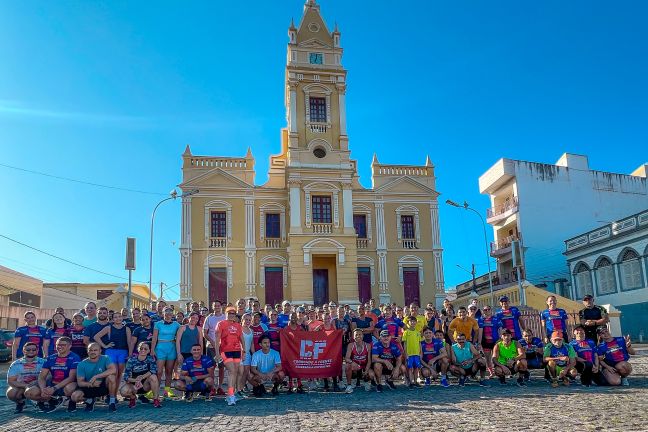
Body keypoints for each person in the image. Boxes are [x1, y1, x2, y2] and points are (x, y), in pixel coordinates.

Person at [25, 337, 80, 413]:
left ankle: (70, 400)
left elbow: (71, 377)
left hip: (67, 384)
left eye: (63, 345)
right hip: (52, 383)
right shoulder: (50, 358)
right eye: (57, 344)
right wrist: (43, 389)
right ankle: (52, 401)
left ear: (70, 346)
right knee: (29, 392)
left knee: (70, 388)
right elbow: (42, 376)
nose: (59, 346)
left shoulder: (75, 357)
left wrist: (54, 388)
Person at [70, 342, 118, 412]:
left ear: (100, 351)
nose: (92, 352)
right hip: (88, 386)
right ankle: (89, 400)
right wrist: (91, 384)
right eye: (90, 350)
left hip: (102, 386)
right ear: (87, 351)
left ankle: (112, 401)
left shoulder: (106, 358)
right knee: (74, 397)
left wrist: (96, 376)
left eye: (95, 350)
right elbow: (80, 383)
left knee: (111, 377)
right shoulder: (81, 364)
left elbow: (113, 370)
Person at [215, 306, 246, 406]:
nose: (231, 315)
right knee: (232, 371)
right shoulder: (221, 324)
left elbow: (242, 339)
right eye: (229, 313)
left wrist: (244, 351)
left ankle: (231, 394)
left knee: (235, 372)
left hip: (237, 351)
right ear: (226, 314)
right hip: (225, 351)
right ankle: (231, 395)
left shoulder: (238, 325)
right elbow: (217, 340)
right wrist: (217, 353)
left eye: (233, 314)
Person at [94, 310, 133, 386]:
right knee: (114, 373)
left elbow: (129, 342)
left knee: (119, 375)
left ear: (122, 318)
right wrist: (105, 346)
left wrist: (130, 354)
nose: (118, 318)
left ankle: (114, 395)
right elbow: (96, 337)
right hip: (111, 352)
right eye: (115, 317)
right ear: (112, 319)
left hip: (123, 352)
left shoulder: (127, 329)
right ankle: (109, 394)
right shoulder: (109, 327)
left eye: (119, 316)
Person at [6, 341, 46, 413]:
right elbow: (10, 381)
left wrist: (36, 383)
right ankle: (20, 403)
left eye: (33, 350)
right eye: (28, 350)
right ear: (23, 351)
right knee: (11, 393)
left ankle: (40, 402)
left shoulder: (44, 362)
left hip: (37, 385)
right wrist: (25, 386)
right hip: (21, 385)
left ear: (37, 351)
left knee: (33, 391)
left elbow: (48, 377)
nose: (31, 351)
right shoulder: (16, 363)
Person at [151, 307, 181, 398]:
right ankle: (155, 390)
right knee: (159, 372)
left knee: (169, 371)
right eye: (166, 312)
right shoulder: (158, 324)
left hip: (171, 348)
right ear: (163, 313)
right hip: (160, 347)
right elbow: (154, 338)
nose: (168, 314)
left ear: (173, 314)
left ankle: (167, 390)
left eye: (170, 312)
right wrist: (152, 349)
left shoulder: (176, 324)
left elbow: (180, 335)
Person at [120, 342, 161, 408]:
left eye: (145, 349)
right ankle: (133, 398)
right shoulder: (131, 360)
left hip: (146, 385)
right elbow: (126, 376)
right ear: (138, 349)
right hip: (134, 386)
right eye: (141, 348)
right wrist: (135, 380)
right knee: (123, 391)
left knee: (153, 376)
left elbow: (154, 370)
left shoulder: (150, 359)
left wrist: (142, 377)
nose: (143, 350)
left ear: (149, 350)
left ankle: (156, 399)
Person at [203, 300, 227, 396]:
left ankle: (220, 387)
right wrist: (213, 342)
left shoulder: (225, 317)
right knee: (211, 368)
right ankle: (212, 387)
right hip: (211, 346)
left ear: (221, 307)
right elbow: (204, 333)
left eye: (218, 305)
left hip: (223, 347)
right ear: (212, 307)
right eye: (215, 306)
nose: (217, 307)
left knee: (221, 367)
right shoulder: (209, 318)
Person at [344, 329, 374, 393]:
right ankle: (350, 384)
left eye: (360, 334)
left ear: (363, 336)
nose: (358, 336)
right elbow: (347, 358)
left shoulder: (368, 345)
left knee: (371, 374)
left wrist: (366, 371)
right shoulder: (351, 345)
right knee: (347, 366)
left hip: (364, 366)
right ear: (353, 337)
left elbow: (369, 361)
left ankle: (366, 382)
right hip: (355, 366)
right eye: (356, 335)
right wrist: (352, 362)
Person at [476, 305, 500, 377]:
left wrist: (500, 340)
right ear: (483, 311)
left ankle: (498, 371)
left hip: (495, 341)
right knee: (487, 358)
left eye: (488, 309)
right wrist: (479, 342)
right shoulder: (481, 319)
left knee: (496, 358)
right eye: (485, 310)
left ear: (491, 310)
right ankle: (491, 372)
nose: (487, 311)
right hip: (485, 342)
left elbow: (500, 329)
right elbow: (480, 331)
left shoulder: (496, 318)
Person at [401, 316, 423, 387]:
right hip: (409, 354)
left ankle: (416, 381)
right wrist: (405, 353)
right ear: (408, 323)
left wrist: (420, 352)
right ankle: (411, 382)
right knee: (410, 368)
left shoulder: (418, 333)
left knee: (416, 368)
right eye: (411, 321)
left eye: (414, 321)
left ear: (416, 322)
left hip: (416, 353)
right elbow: (404, 343)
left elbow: (419, 343)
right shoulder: (406, 332)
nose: (413, 322)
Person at [239, 313, 254, 399]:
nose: (248, 321)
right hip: (240, 354)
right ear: (242, 320)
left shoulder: (251, 331)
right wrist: (242, 352)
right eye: (246, 319)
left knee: (245, 372)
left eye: (249, 320)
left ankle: (241, 389)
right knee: (239, 373)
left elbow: (252, 344)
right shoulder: (239, 329)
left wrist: (254, 354)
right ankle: (237, 389)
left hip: (248, 354)